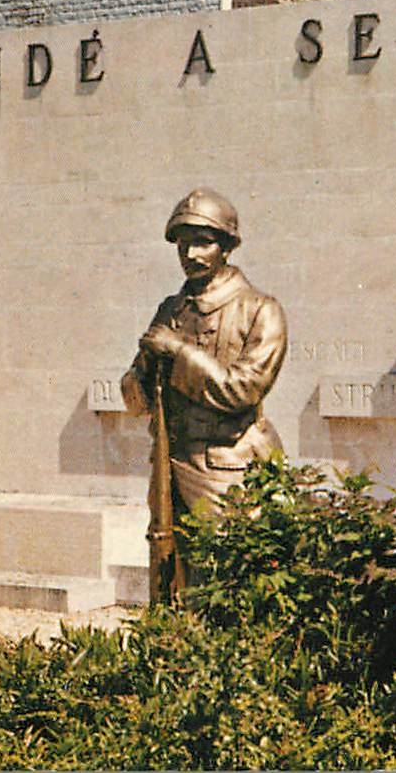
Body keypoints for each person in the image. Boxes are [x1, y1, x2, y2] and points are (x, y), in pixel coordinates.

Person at [121, 188, 287, 534]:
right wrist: (144, 373)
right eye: (183, 245)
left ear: (226, 246)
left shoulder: (259, 310)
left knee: (224, 576)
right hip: (168, 468)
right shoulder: (170, 310)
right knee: (171, 578)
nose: (191, 254)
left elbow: (243, 389)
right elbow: (136, 400)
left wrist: (178, 353)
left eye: (203, 243)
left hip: (228, 472)